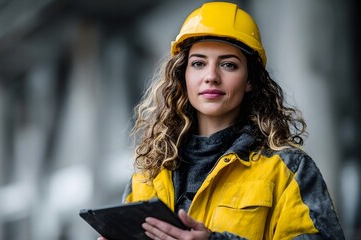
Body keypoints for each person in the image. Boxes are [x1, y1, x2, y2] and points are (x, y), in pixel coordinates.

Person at [100, 2, 344, 239]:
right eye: (198, 64)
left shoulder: (288, 169)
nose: (211, 77)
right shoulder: (150, 172)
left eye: (228, 64)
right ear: (182, 76)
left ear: (250, 80)